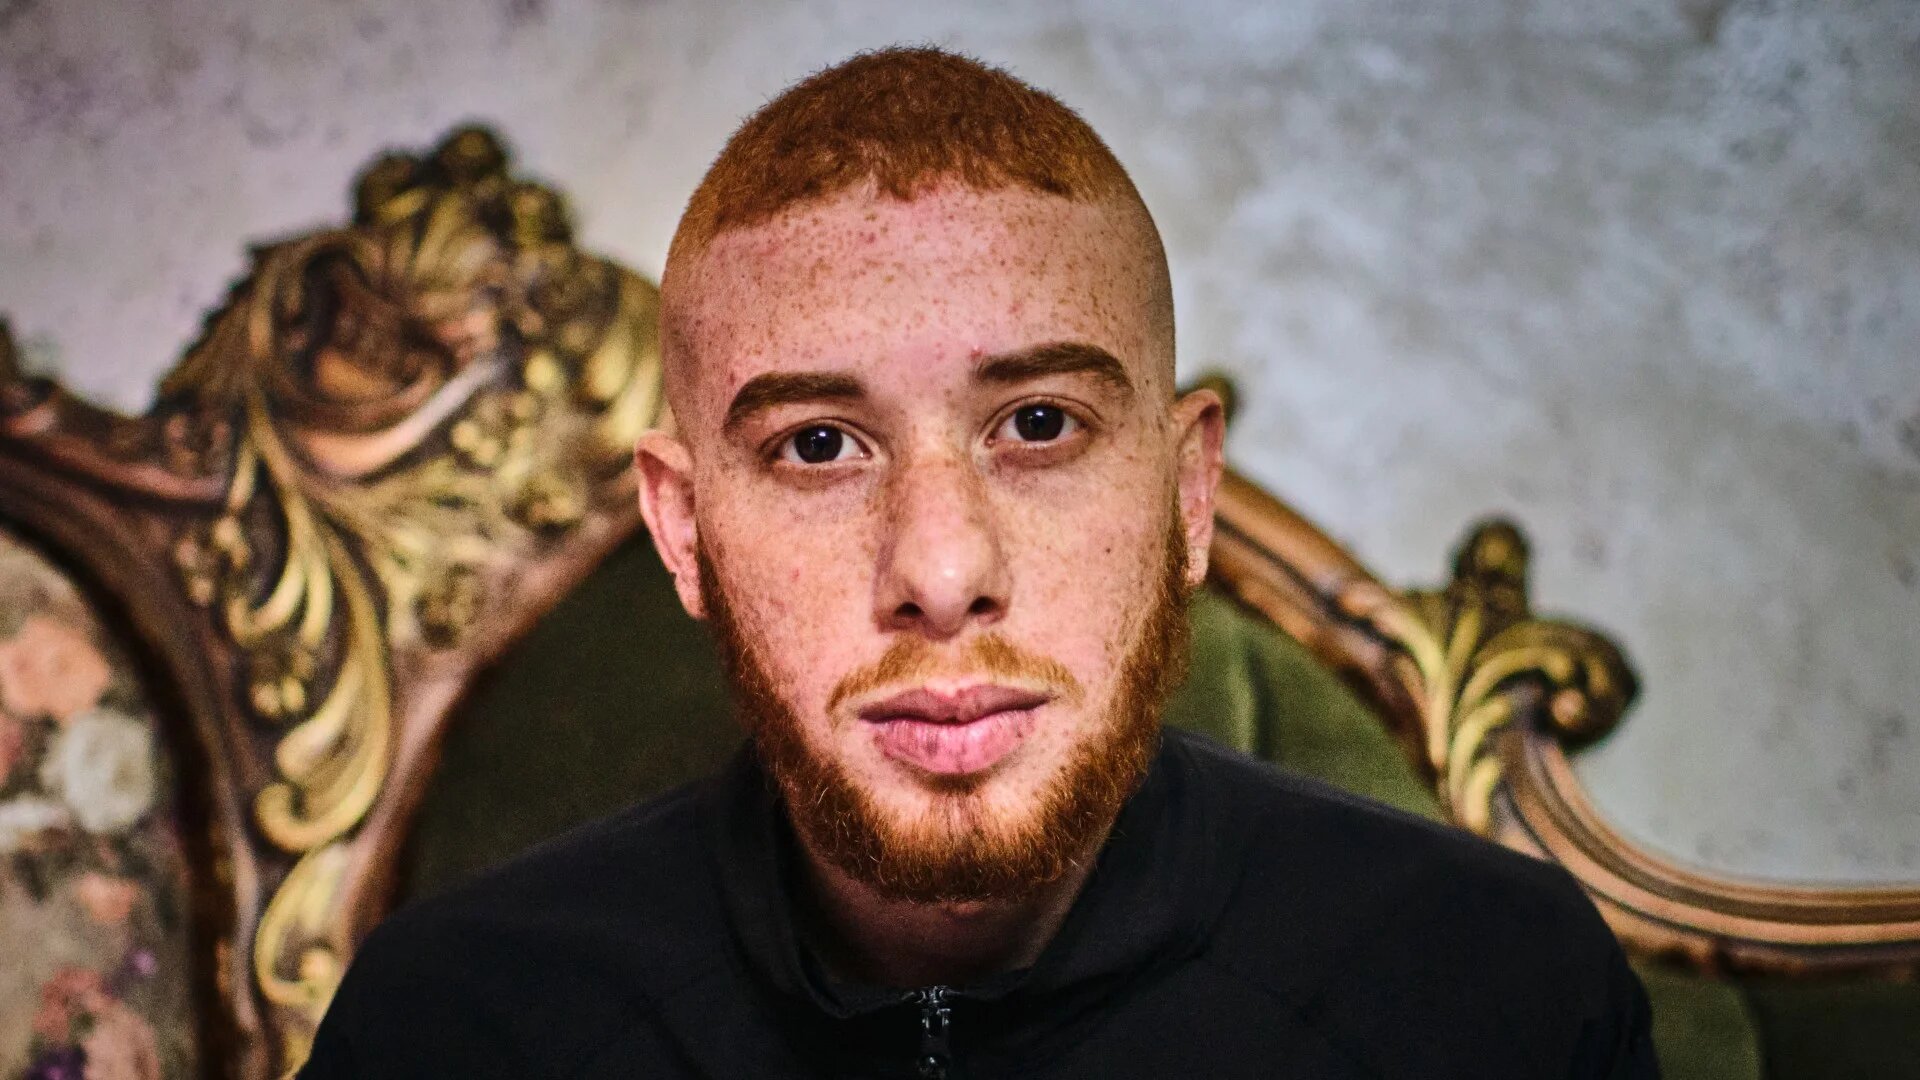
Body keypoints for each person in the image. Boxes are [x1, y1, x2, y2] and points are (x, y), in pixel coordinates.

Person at [300, 46, 1658, 1079]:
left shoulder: (1496, 996)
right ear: (684, 529)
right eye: (819, 445)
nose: (943, 573)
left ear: (1187, 495)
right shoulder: (457, 1026)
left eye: (1041, 425)